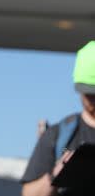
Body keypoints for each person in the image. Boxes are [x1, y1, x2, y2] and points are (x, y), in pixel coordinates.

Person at [21, 40, 95, 196]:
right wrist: (57, 173)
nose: (92, 100)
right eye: (88, 93)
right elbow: (28, 194)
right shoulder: (58, 135)